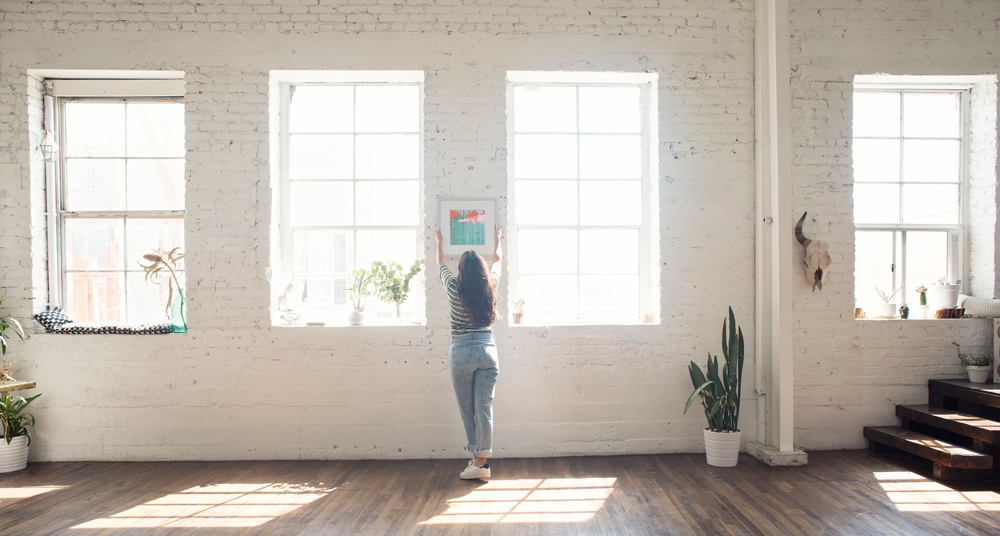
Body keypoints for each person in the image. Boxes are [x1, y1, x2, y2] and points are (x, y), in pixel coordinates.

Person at [434, 226, 503, 480]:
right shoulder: (490, 287)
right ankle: (481, 462)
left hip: (462, 351)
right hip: (487, 350)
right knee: (484, 407)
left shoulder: (454, 288)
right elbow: (498, 261)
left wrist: (438, 241)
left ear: (462, 271)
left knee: (468, 409)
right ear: (481, 272)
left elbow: (440, 263)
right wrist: (498, 238)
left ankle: (479, 463)